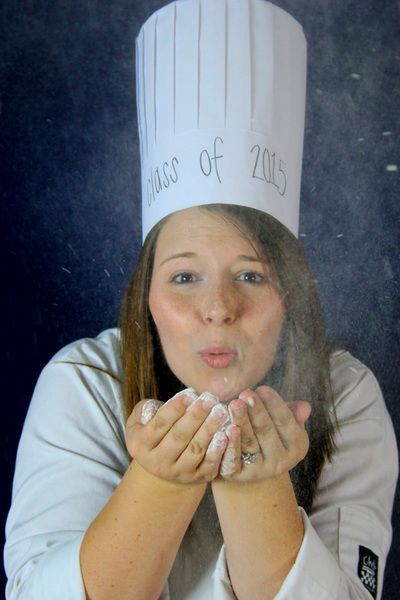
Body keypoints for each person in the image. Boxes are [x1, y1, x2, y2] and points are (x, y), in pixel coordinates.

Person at [4, 1, 398, 599]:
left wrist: (256, 485)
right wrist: (161, 481)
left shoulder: (344, 395)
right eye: (185, 278)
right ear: (147, 299)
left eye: (252, 276)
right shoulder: (83, 382)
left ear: (290, 295)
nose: (218, 308)